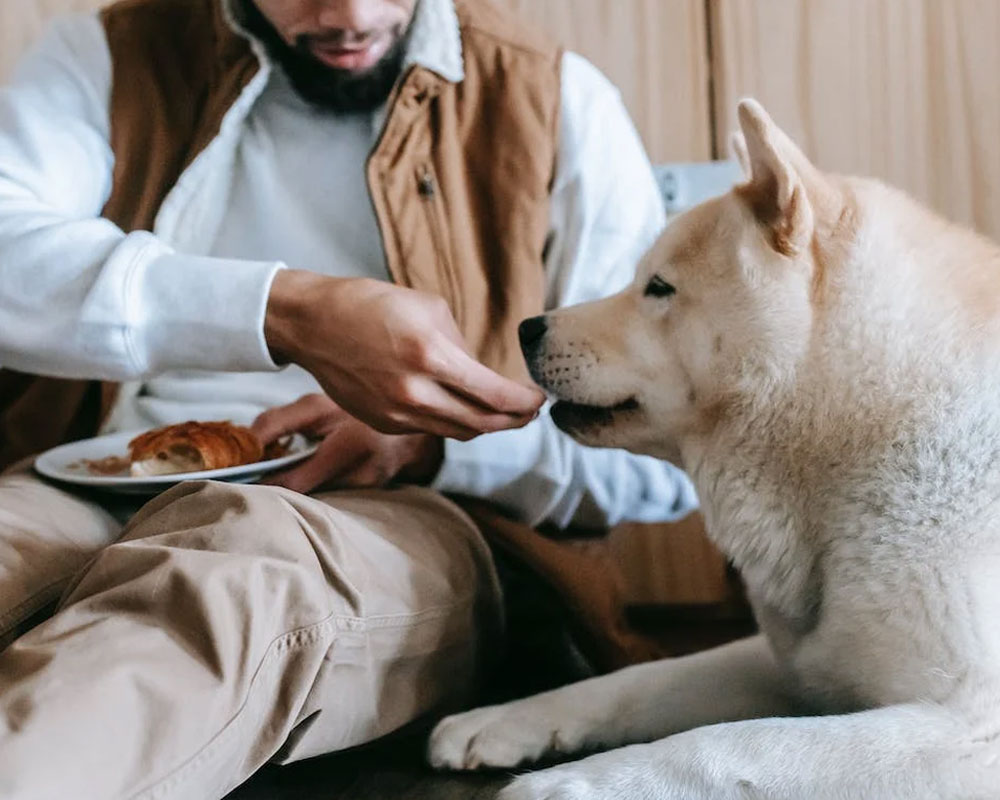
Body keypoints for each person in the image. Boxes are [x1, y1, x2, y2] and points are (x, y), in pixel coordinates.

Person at [0, 0, 697, 797]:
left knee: (232, 584)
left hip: (394, 509)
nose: (351, 14)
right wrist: (283, 310)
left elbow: (663, 458)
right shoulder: (112, 55)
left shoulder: (554, 101)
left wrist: (431, 441)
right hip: (100, 472)